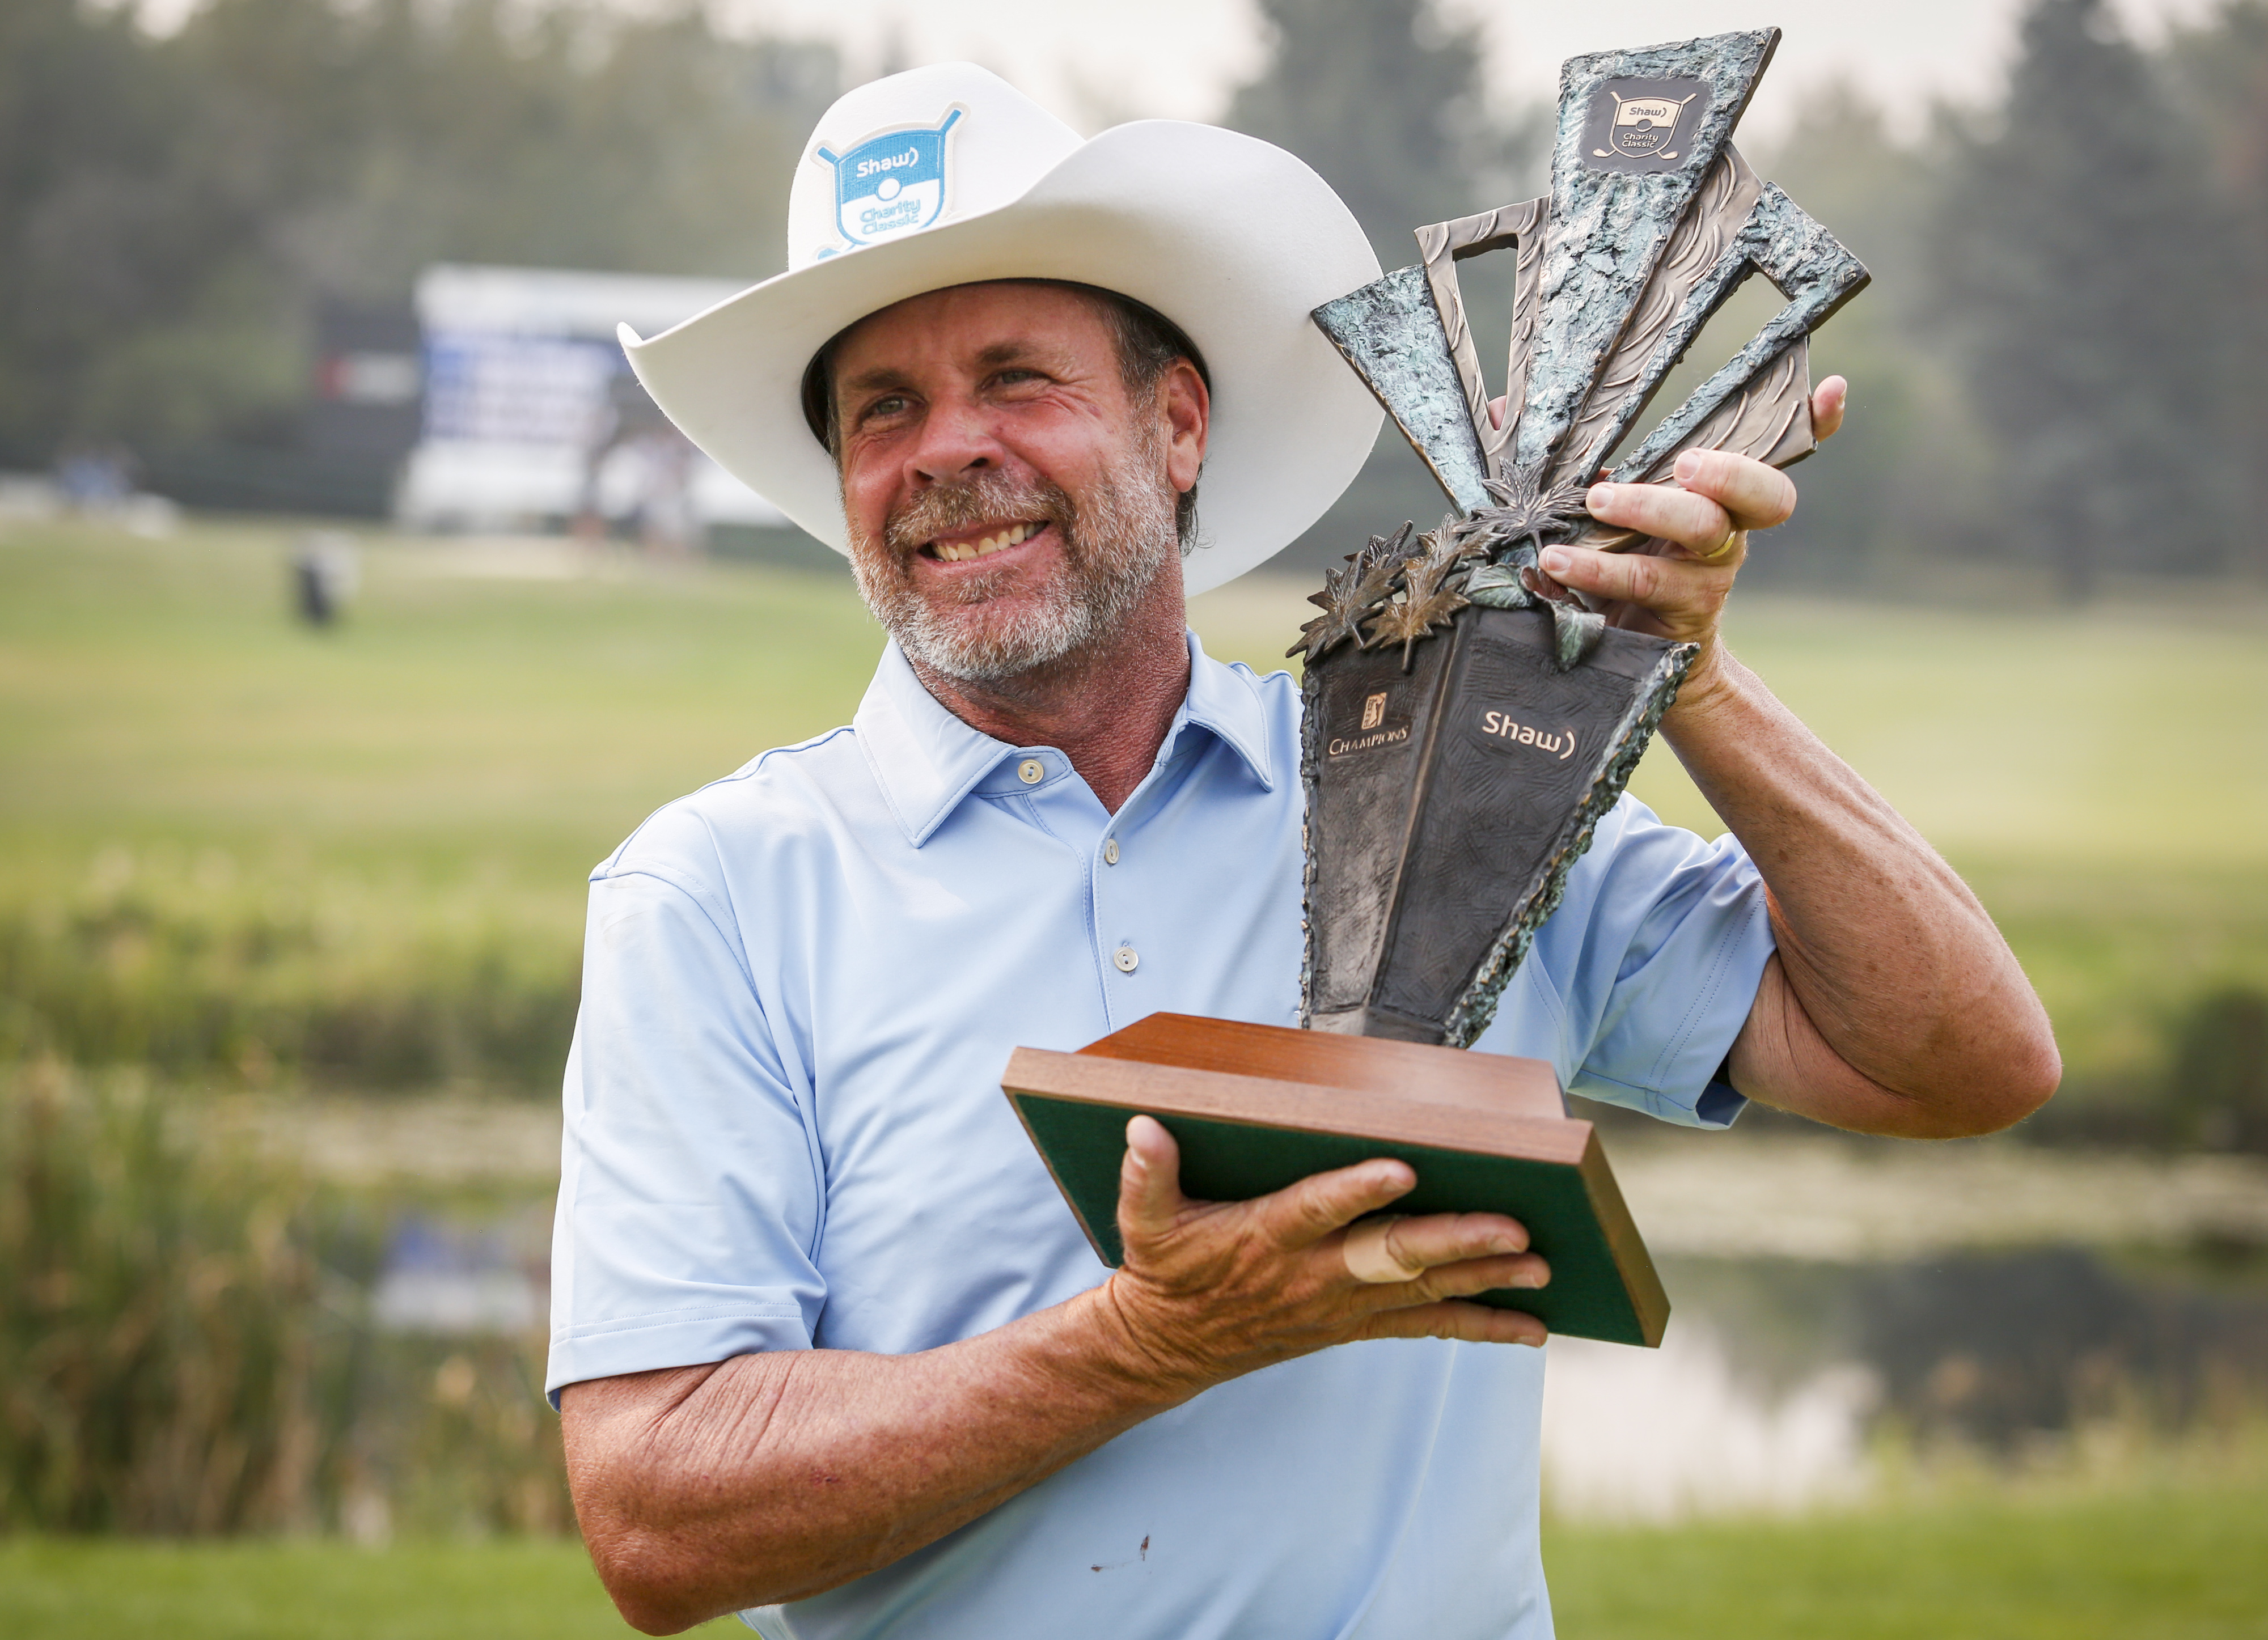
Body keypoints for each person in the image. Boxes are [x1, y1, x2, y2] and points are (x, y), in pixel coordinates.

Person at [548, 65, 2059, 1640]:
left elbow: (1958, 1064)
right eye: (884, 410)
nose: (945, 451)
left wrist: (1688, 673)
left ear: (1176, 424)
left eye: (1016, 379)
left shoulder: (1457, 776)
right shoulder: (714, 896)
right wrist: (1150, 1342)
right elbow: (657, 1518)